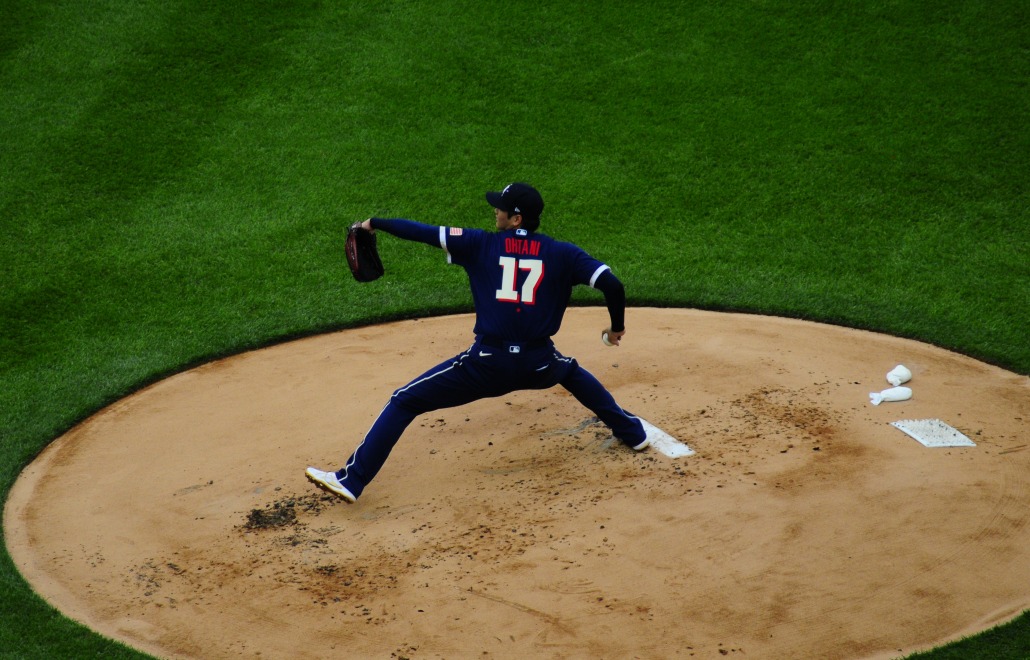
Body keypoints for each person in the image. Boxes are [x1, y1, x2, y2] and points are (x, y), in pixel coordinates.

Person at [306, 182, 652, 503]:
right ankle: (632, 432)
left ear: (516, 218)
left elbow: (422, 232)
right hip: (538, 363)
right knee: (569, 371)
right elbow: (613, 285)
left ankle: (352, 479)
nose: (495, 211)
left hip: (487, 364)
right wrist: (615, 329)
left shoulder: (480, 244)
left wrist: (374, 223)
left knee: (404, 400)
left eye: (501, 208)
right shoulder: (563, 253)